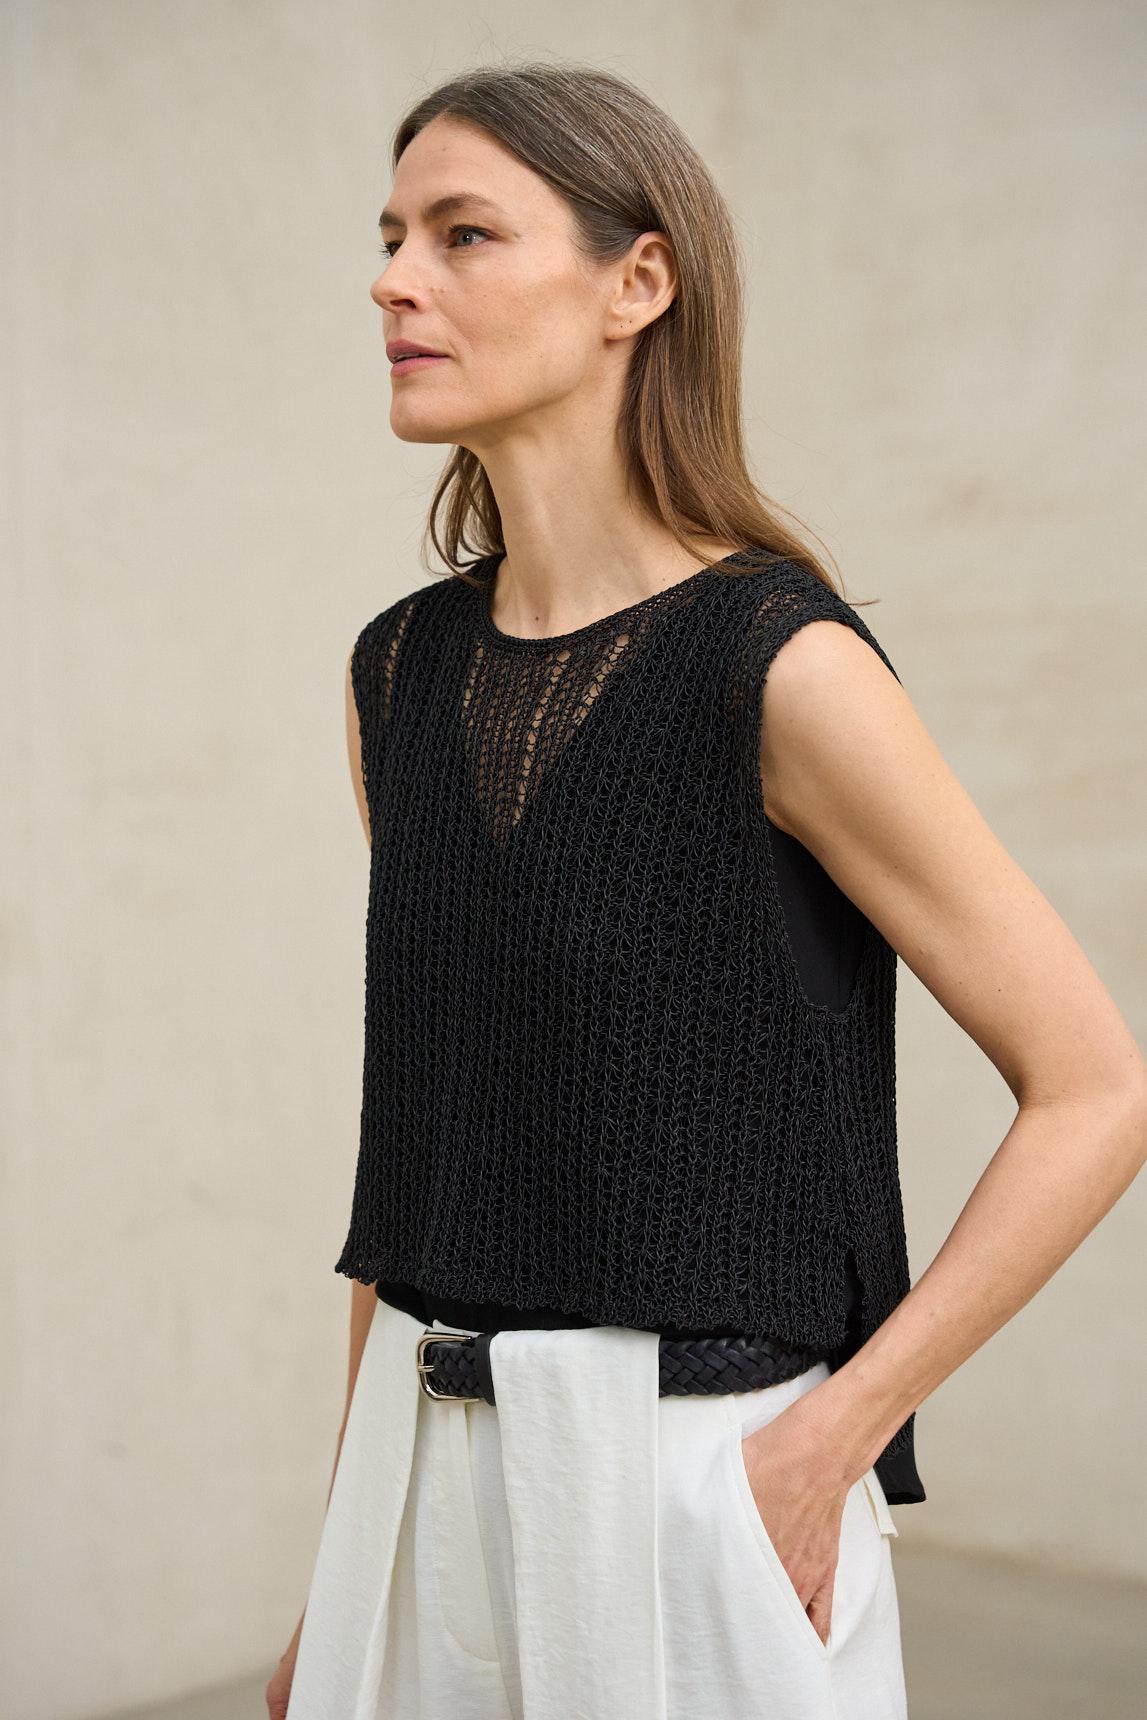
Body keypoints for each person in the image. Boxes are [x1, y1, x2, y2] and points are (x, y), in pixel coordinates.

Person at [268, 61, 1147, 1720]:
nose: (394, 281)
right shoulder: (396, 675)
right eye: (389, 238)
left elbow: (1097, 1089)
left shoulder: (784, 670)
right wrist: (340, 1561)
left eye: (462, 234)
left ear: (639, 283)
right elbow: (430, 1137)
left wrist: (831, 1442)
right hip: (418, 1466)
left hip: (693, 1485)